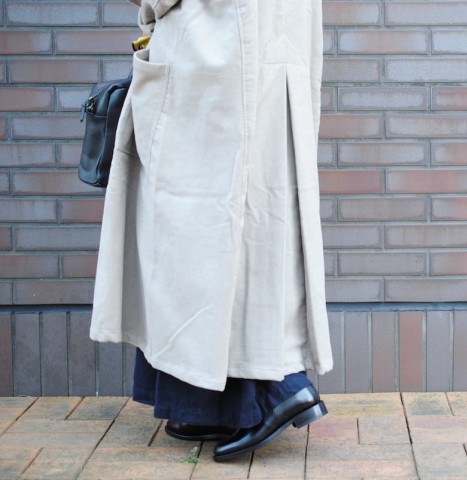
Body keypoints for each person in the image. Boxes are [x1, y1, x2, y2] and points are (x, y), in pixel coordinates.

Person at [89, 0, 332, 462]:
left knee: (191, 237)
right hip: (272, 55)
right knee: (252, 229)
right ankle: (211, 403)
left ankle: (275, 389)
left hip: (212, 60)